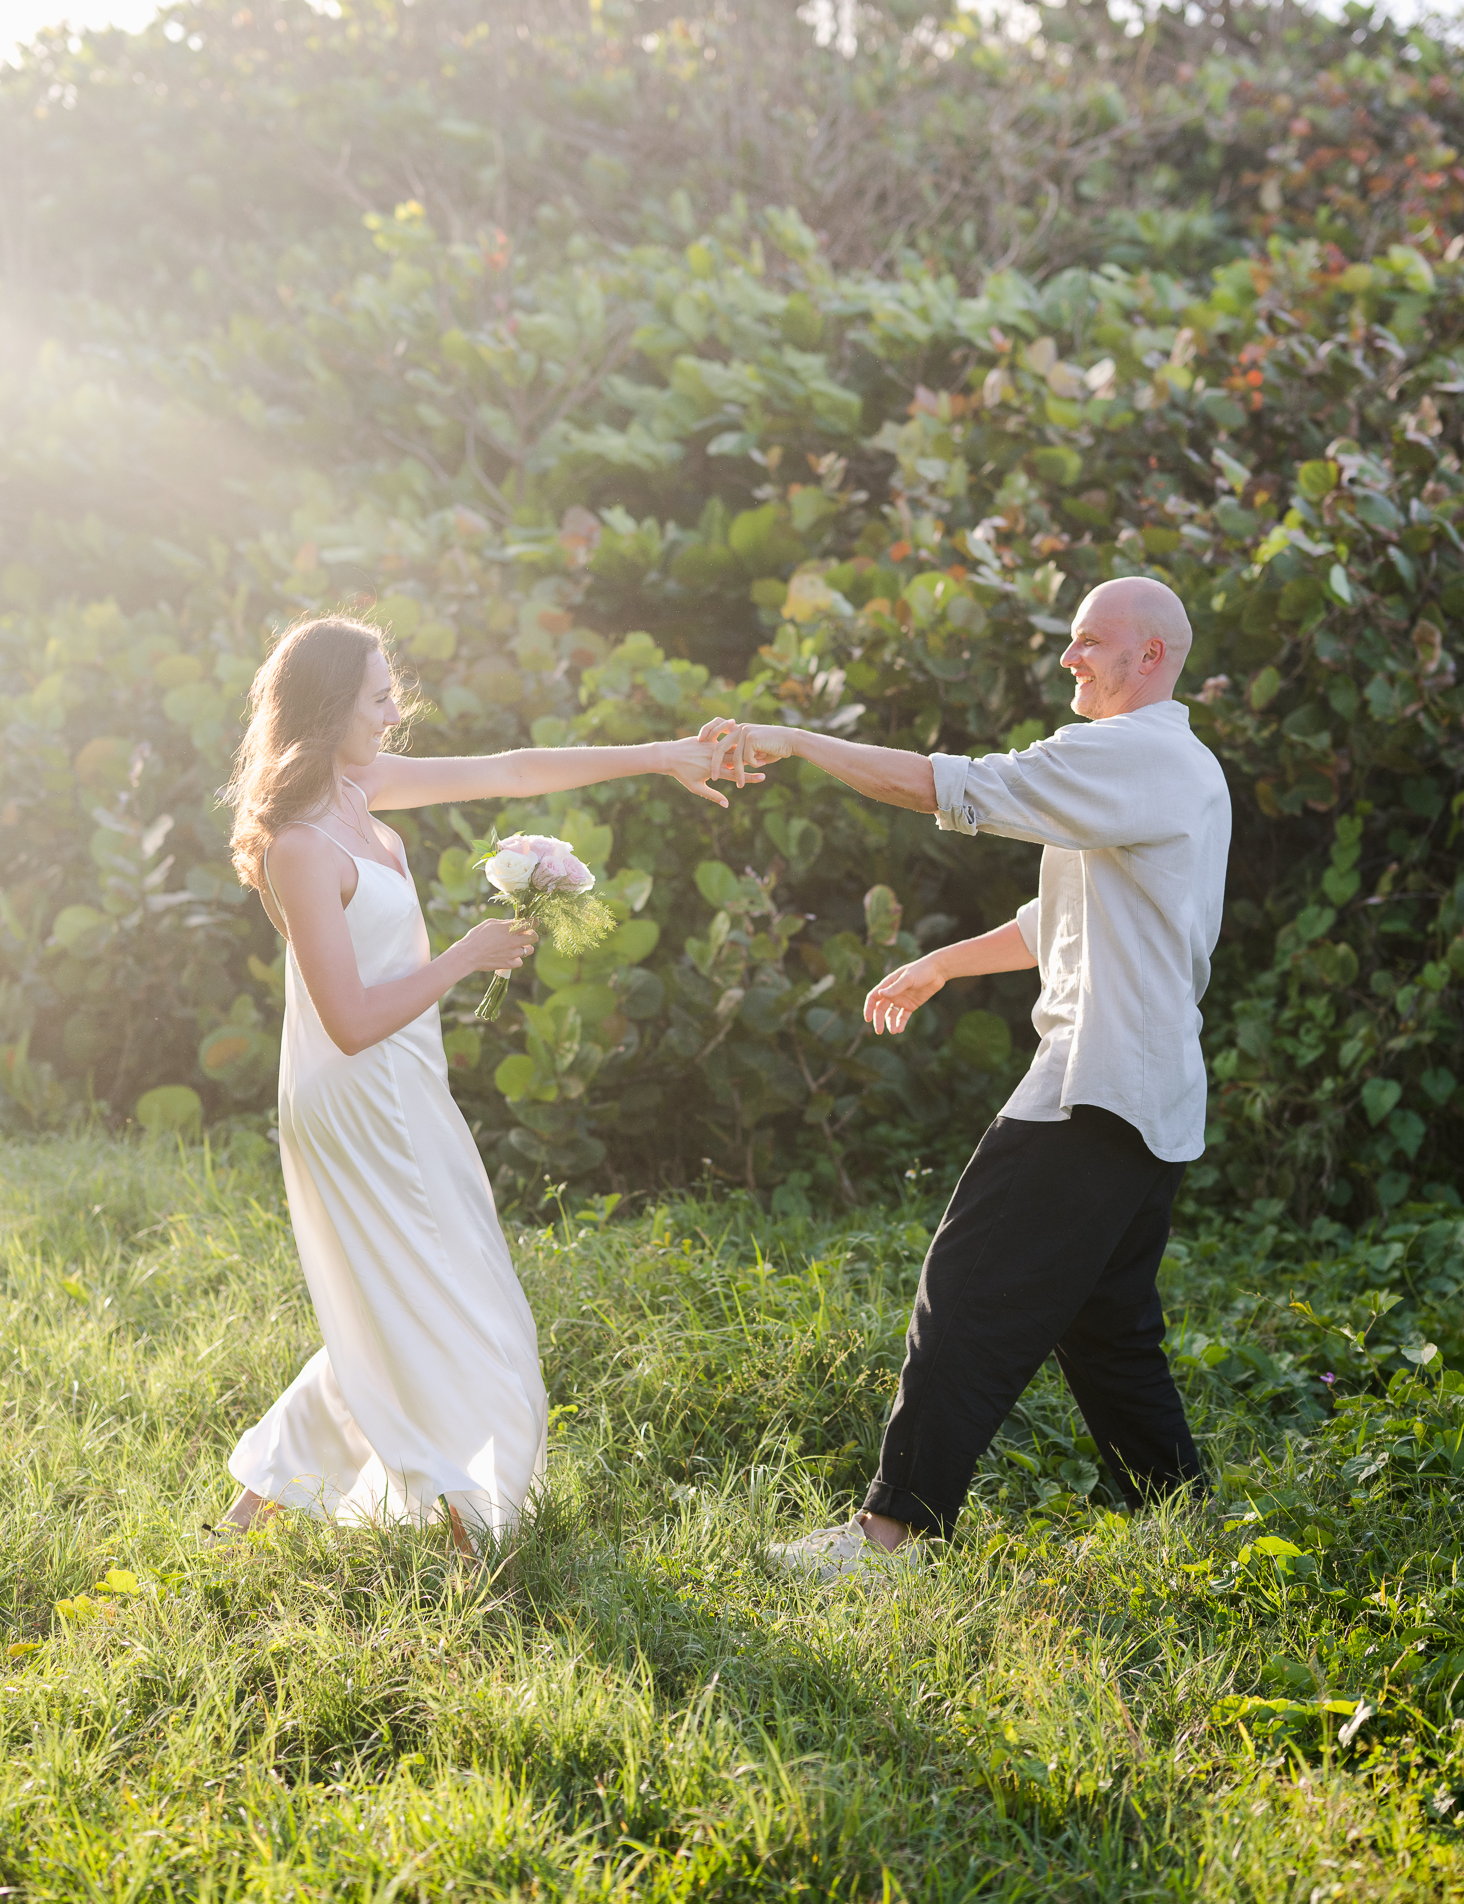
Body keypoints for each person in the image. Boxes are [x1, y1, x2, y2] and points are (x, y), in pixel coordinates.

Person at [706, 576, 1231, 1579]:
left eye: (1090, 642)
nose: (1069, 658)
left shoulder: (1135, 751)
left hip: (1096, 1087)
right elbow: (1070, 919)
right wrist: (946, 960)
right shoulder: (1172, 768)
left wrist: (803, 741)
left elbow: (946, 785)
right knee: (1107, 1331)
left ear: (1150, 656)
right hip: (1145, 1094)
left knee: (966, 1281)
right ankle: (1188, 1523)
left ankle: (887, 1539)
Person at [219, 612, 740, 1555]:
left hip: (407, 1088)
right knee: (461, 1301)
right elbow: (349, 1019)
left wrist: (661, 755)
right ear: (330, 704)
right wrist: (465, 957)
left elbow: (510, 768)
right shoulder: (301, 844)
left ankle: (255, 1508)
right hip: (357, 1099)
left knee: (398, 1295)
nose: (394, 711)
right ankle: (465, 1517)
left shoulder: (359, 790)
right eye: (378, 697)